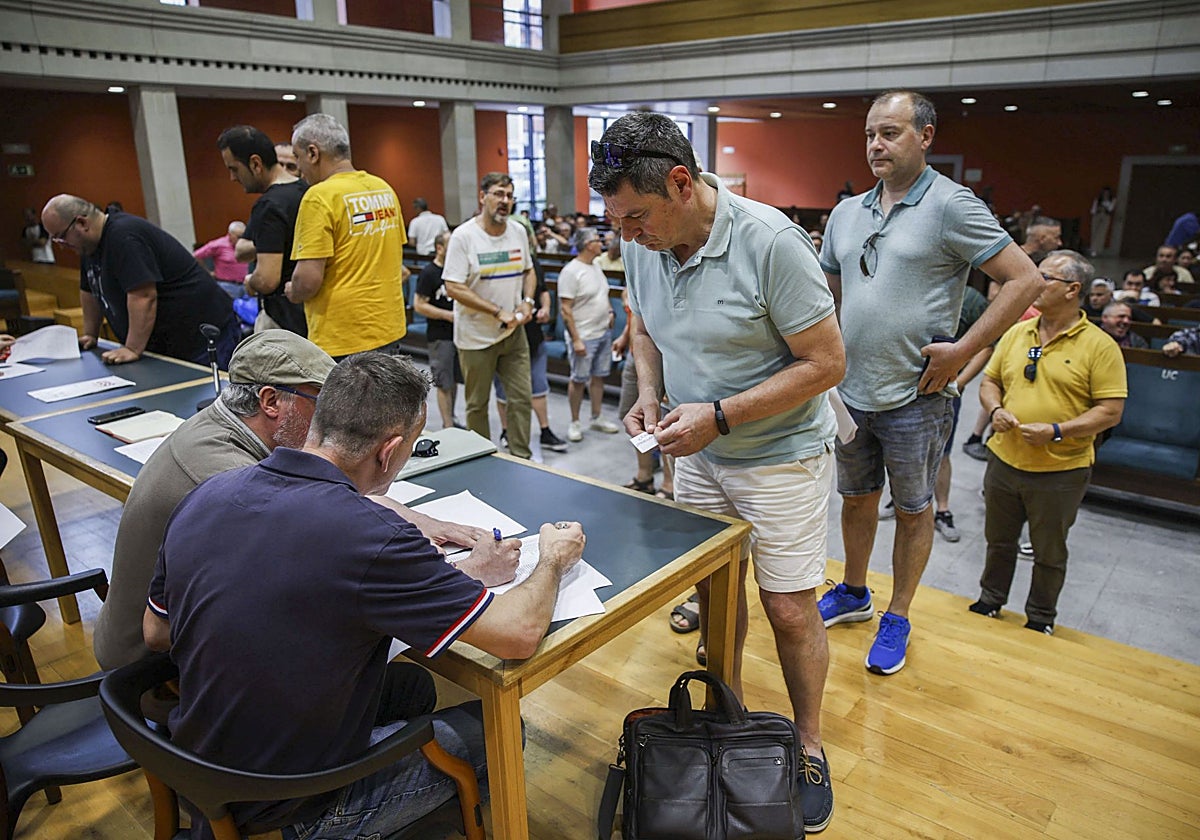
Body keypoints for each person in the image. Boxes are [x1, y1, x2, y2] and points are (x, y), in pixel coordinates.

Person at [144, 351, 586, 837]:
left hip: (196, 760)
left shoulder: (209, 493)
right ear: (389, 451)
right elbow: (518, 633)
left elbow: (156, 632)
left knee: (413, 687)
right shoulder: (371, 534)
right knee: (498, 732)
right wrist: (552, 559)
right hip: (289, 803)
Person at [590, 112, 846, 832]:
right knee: (715, 595)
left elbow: (827, 364)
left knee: (790, 608)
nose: (627, 236)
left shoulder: (771, 243)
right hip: (697, 450)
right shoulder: (643, 240)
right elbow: (642, 326)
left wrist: (722, 417)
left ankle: (808, 743)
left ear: (681, 183)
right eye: (617, 223)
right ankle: (723, 714)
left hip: (779, 455)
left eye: (636, 217)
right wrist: (647, 395)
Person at [818, 89, 1043, 677]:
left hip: (916, 394)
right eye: (869, 134)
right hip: (851, 391)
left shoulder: (952, 205)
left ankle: (898, 613)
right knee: (856, 498)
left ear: (926, 136)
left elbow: (1025, 280)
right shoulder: (846, 212)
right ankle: (854, 591)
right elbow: (828, 295)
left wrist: (965, 349)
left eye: (889, 133)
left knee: (914, 509)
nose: (875, 145)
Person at [94, 331, 335, 669]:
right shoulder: (228, 481)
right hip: (154, 668)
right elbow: (309, 564)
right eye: (319, 403)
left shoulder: (223, 424)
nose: (327, 420)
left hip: (175, 636)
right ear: (270, 402)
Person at [970, 250, 1125, 634]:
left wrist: (1056, 431)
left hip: (1060, 467)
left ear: (1073, 289)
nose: (1035, 283)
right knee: (998, 541)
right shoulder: (1018, 331)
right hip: (1006, 458)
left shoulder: (1099, 345)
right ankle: (990, 601)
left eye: (1046, 278)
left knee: (1048, 551)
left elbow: (1110, 410)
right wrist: (994, 411)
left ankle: (1040, 618)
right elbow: (990, 381)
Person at [41, 194, 239, 367]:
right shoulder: (88, 247)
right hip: (167, 344)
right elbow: (89, 291)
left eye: (61, 238)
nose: (61, 246)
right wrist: (90, 334)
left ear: (82, 223)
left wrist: (133, 348)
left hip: (202, 338)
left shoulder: (124, 236)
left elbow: (144, 295)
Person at [286, 113, 407, 359]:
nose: (298, 169)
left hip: (343, 338)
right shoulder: (383, 188)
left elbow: (308, 281)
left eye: (297, 157)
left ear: (313, 153)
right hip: (389, 328)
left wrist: (293, 290)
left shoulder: (318, 197)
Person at [443, 173, 537, 459]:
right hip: (476, 337)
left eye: (509, 195)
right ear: (483, 197)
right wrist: (497, 311)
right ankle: (482, 457)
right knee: (477, 404)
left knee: (521, 398)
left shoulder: (518, 231)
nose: (504, 201)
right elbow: (453, 286)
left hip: (513, 333)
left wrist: (528, 302)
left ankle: (521, 456)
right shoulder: (464, 236)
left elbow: (528, 270)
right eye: (498, 194)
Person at [216, 124, 309, 336]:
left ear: (255, 163)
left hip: (285, 322)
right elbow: (241, 250)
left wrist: (251, 281)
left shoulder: (269, 205)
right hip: (311, 317)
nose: (232, 178)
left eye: (234, 169)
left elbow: (267, 279)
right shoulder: (307, 191)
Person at [559, 227, 621, 442]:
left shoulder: (595, 266)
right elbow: (565, 309)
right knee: (578, 380)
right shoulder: (571, 271)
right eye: (597, 240)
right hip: (583, 335)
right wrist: (576, 339)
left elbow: (601, 295)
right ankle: (575, 422)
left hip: (602, 332)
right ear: (587, 244)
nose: (601, 243)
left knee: (598, 377)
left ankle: (597, 416)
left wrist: (611, 311)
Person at [412, 231, 462, 429]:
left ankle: (453, 417)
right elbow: (419, 305)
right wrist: (447, 315)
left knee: (455, 379)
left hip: (459, 334)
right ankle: (447, 425)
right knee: (443, 382)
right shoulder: (429, 273)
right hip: (440, 336)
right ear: (440, 248)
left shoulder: (456, 271)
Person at [193, 221, 247, 298]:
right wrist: (207, 272)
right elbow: (196, 255)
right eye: (239, 237)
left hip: (244, 285)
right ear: (230, 235)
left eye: (243, 236)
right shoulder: (218, 244)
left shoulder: (245, 244)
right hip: (227, 286)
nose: (241, 239)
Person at [1089, 186, 1115, 254]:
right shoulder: (1097, 200)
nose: (1105, 195)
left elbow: (1110, 209)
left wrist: (1104, 207)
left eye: (1107, 193)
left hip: (1105, 217)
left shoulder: (1112, 200)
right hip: (1097, 216)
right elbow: (1093, 210)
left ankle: (1095, 249)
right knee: (1094, 232)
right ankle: (1093, 248)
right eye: (1104, 193)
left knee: (1101, 233)